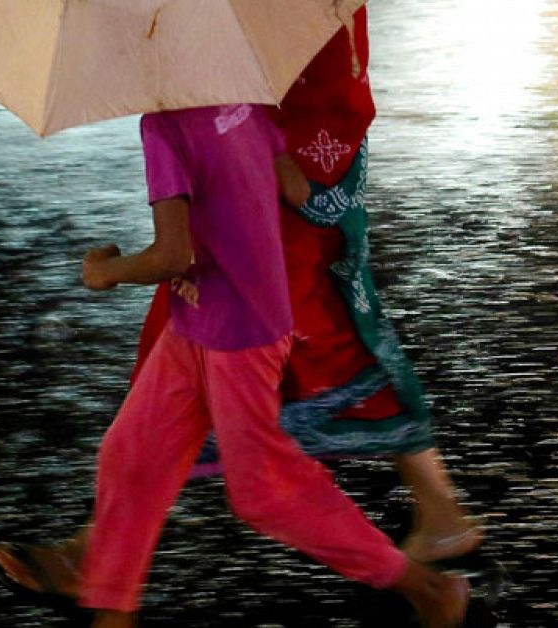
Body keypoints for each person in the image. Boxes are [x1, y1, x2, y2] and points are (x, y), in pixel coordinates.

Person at [0, 10, 480, 603]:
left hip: (287, 121)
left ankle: (426, 572)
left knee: (260, 367)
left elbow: (175, 251)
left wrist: (108, 271)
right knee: (297, 325)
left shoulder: (173, 120)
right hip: (289, 125)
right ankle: (438, 513)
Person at [56, 93, 468, 627]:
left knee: (263, 490)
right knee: (130, 455)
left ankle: (423, 587)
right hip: (214, 320)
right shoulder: (251, 105)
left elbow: (172, 255)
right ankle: (112, 614)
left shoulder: (163, 127)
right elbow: (295, 187)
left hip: (235, 338)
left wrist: (104, 271)